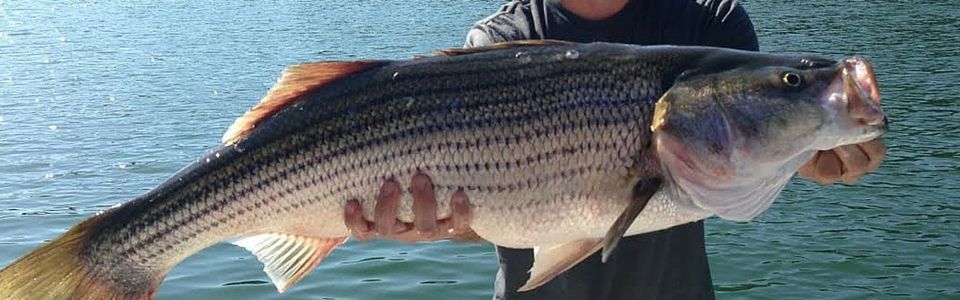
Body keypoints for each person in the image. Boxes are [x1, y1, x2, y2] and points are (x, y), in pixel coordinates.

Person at [343, 0, 887, 299]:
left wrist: (814, 150)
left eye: (794, 83)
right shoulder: (500, 38)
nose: (802, 87)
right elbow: (476, 218)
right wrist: (431, 224)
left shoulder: (710, 22)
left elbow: (740, 156)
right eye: (793, 82)